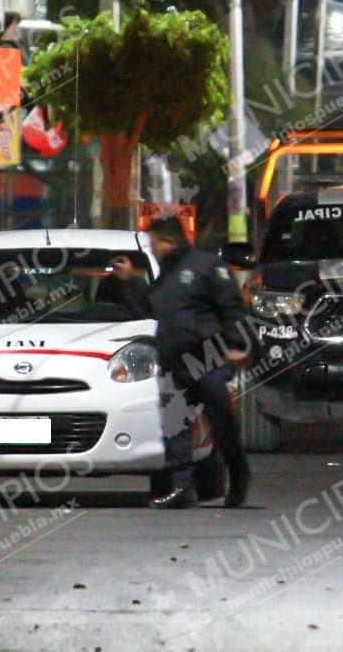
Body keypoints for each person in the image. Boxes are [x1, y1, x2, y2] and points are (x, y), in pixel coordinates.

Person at [112, 217, 252, 509]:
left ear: (169, 241)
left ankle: (238, 475)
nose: (155, 250)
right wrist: (131, 281)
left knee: (219, 421)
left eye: (155, 244)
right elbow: (150, 308)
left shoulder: (206, 266)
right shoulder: (167, 274)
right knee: (175, 425)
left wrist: (237, 345)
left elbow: (231, 307)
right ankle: (181, 488)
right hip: (174, 360)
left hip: (206, 357)